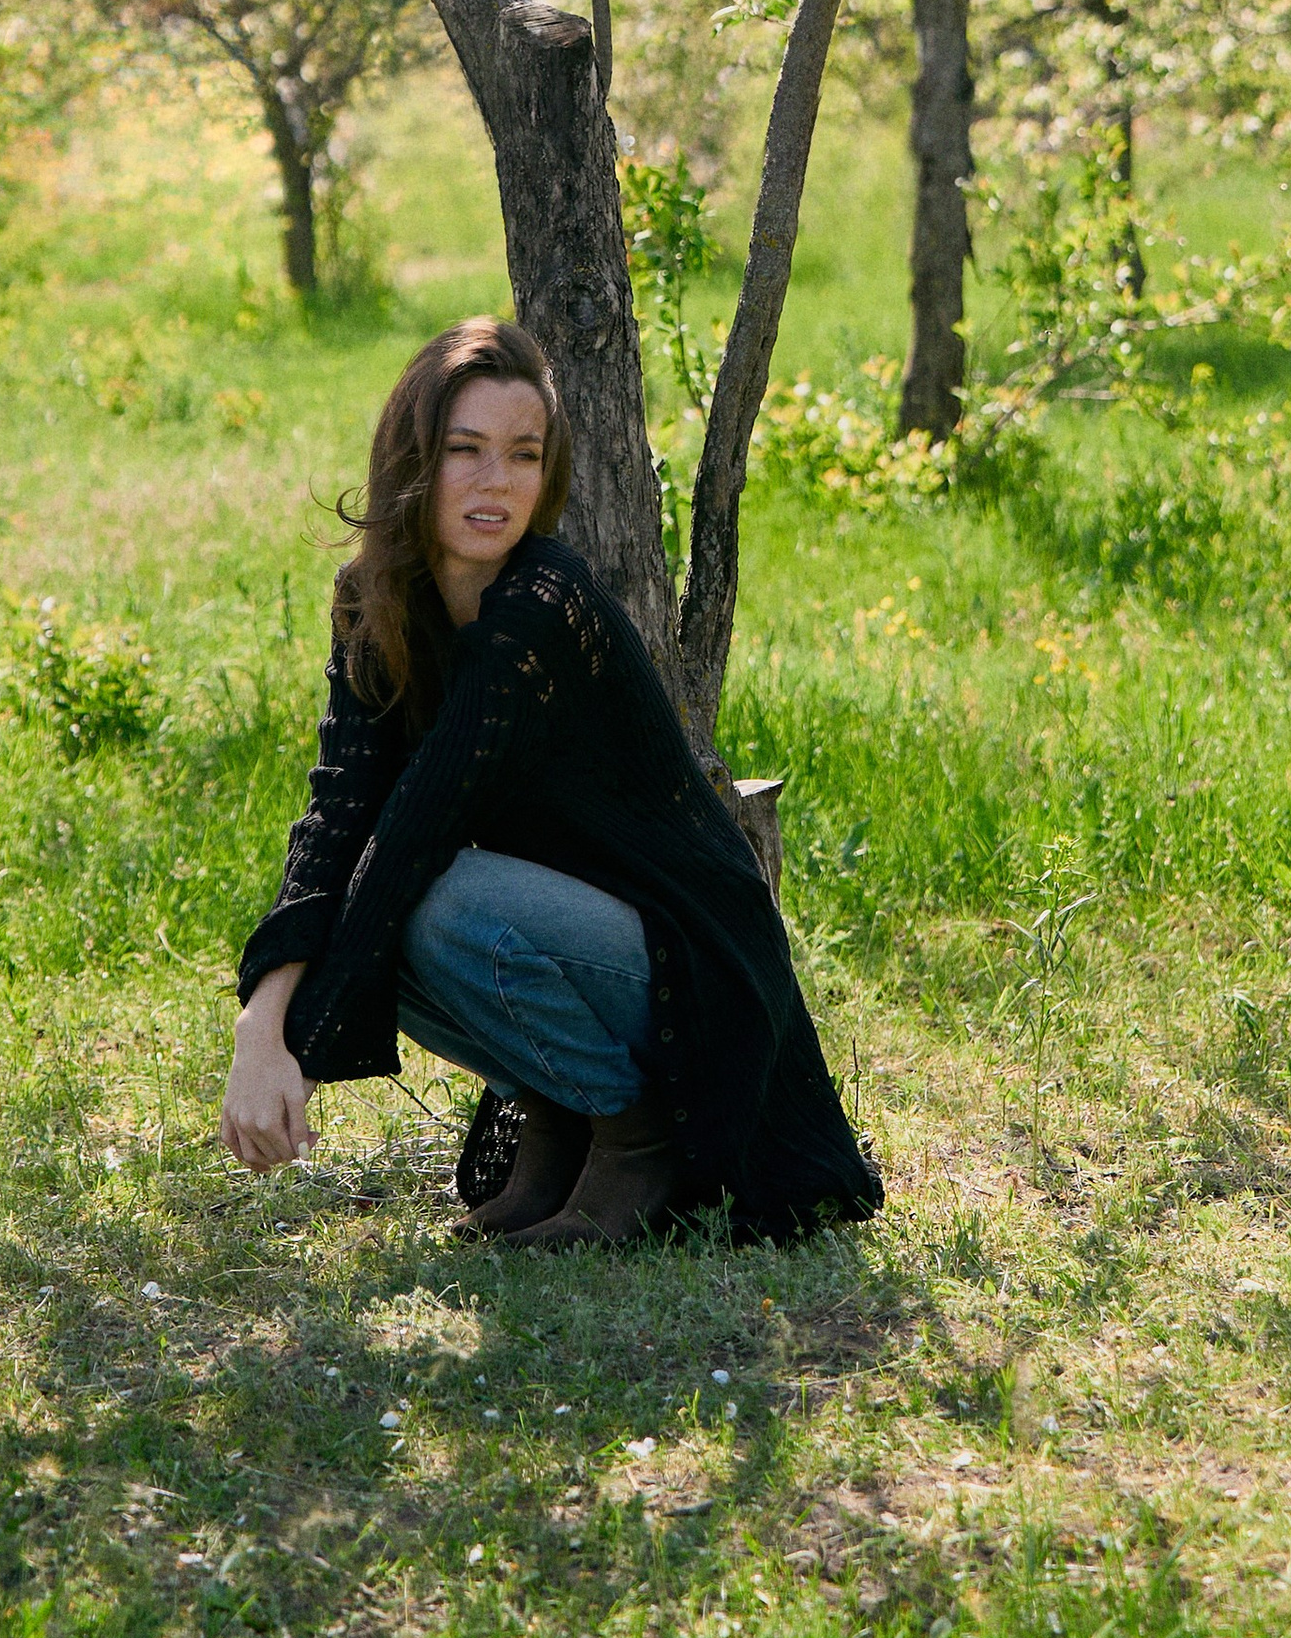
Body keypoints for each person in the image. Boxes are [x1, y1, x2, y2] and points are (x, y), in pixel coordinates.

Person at [221, 316, 882, 1245]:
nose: (496, 481)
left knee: (435, 899)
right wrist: (261, 1024)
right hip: (576, 944)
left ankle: (636, 1133)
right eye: (466, 449)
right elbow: (340, 806)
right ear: (413, 458)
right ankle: (561, 1118)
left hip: (689, 957)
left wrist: (291, 1046)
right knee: (369, 917)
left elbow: (413, 828)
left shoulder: (541, 606)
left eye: (523, 454)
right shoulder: (375, 599)